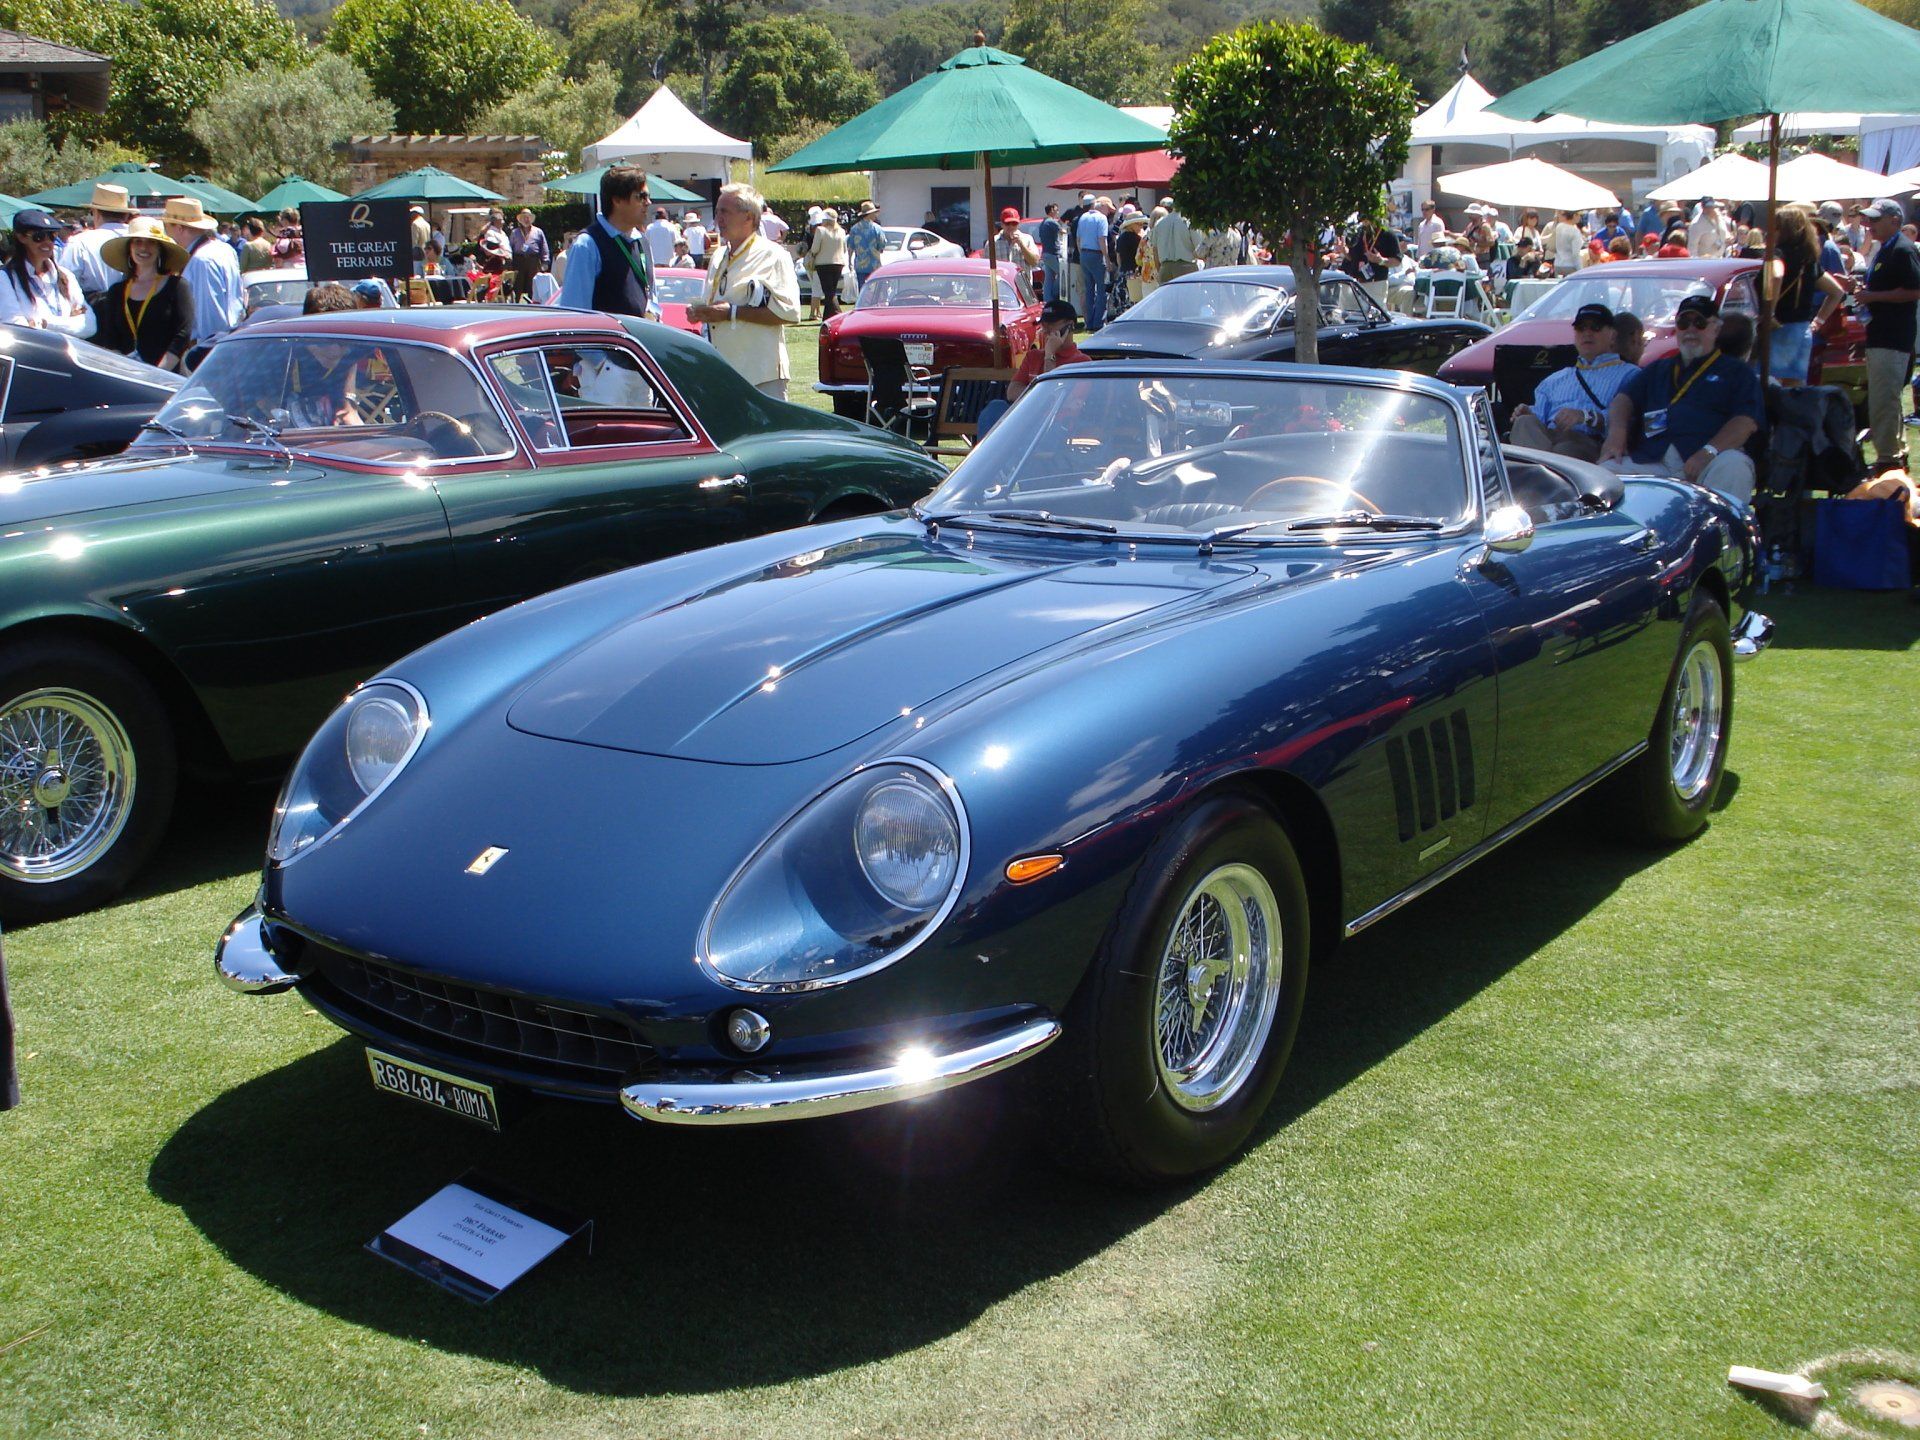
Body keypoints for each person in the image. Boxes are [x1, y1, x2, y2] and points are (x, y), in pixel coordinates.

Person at [1601, 294, 1763, 507]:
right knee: (1603, 476)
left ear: (1715, 329)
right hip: (1653, 458)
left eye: (1700, 323)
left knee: (1734, 465)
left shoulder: (1737, 372)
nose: (1691, 330)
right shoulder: (1659, 368)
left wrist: (1708, 451)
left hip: (1708, 459)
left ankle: (1721, 535)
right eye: (1684, 323)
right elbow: (1622, 400)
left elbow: (1746, 421)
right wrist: (1617, 432)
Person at [689, 182, 800, 400]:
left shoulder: (773, 255)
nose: (718, 219)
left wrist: (732, 313)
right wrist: (701, 313)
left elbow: (790, 312)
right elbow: (715, 306)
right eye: (717, 212)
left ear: (748, 217)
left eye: (725, 212)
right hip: (721, 372)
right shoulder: (719, 256)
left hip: (760, 375)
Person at [1509, 303, 1638, 461]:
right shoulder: (1554, 380)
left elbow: (1629, 420)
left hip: (1590, 442)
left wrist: (1586, 416)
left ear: (1612, 335)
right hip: (1549, 440)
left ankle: (1544, 472)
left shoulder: (1630, 374)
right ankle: (1547, 470)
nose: (1587, 333)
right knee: (1524, 423)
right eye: (1581, 328)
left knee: (1565, 448)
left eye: (1595, 328)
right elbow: (1540, 418)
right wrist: (1528, 412)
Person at [1851, 198, 1920, 468]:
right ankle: (1896, 452)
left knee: (1883, 401)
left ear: (1894, 221)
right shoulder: (1886, 248)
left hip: (1892, 338)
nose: (1869, 225)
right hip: (1882, 335)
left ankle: (1887, 459)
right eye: (1868, 220)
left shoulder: (1902, 250)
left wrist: (1873, 296)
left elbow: (1915, 290)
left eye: (1875, 220)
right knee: (1887, 398)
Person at [91, 215, 193, 370]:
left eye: (151, 242)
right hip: (126, 377)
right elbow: (110, 338)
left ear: (160, 249)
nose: (144, 248)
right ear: (129, 248)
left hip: (166, 378)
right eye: (137, 241)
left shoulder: (177, 286)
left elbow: (183, 334)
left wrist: (157, 374)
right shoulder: (116, 291)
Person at [556, 165, 658, 319]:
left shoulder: (642, 242)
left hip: (639, 340)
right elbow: (574, 317)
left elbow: (652, 297)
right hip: (606, 342)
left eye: (648, 196)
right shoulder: (587, 245)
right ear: (617, 200)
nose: (648, 202)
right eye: (641, 197)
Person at [976, 299, 1085, 439]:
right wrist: (1041, 397)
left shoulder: (1080, 362)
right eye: (1043, 325)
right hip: (1027, 420)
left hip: (1057, 427)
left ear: (1069, 326)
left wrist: (1049, 356)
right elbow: (1012, 392)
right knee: (995, 407)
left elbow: (1051, 394)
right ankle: (986, 458)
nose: (1045, 331)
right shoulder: (1033, 356)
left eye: (1051, 325)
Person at [1763, 204, 1846, 387]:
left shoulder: (1778, 254)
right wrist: (1819, 321)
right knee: (1795, 392)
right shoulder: (1809, 260)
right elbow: (1837, 292)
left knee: (1771, 389)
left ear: (1781, 229)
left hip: (1780, 330)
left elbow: (1777, 275)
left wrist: (1769, 314)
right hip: (1803, 331)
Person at [164, 196, 244, 353]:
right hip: (228, 340)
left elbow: (209, 317)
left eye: (167, 226)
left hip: (209, 349)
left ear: (179, 228)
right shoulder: (224, 249)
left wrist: (203, 352)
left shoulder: (201, 260)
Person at [0, 208, 94, 336]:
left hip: (70, 351)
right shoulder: (5, 278)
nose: (48, 243)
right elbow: (17, 327)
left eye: (52, 236)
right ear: (21, 237)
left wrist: (44, 322)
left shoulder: (66, 275)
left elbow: (89, 326)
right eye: (39, 237)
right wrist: (70, 321)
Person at [59, 182, 132, 301]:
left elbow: (64, 280)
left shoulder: (80, 242)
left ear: (96, 213)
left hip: (96, 311)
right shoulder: (141, 240)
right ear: (126, 215)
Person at [1076, 192, 1111, 331]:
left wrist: (1082, 254)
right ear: (1094, 204)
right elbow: (1102, 240)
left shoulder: (1082, 217)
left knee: (1089, 290)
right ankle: (1098, 323)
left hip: (1084, 254)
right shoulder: (1101, 218)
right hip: (1096, 255)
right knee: (1101, 290)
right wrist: (1107, 259)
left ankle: (1089, 322)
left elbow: (1078, 240)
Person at [807, 206, 848, 321]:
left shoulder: (820, 230)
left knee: (828, 293)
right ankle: (828, 317)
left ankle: (838, 315)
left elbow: (815, 249)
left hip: (823, 264)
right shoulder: (841, 231)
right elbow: (844, 249)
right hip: (838, 263)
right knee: (831, 291)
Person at [1151, 196, 1198, 284]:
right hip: (1186, 267)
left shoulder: (1160, 223)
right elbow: (1199, 248)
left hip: (1165, 267)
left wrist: (1160, 270)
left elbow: (1155, 250)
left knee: (1168, 297)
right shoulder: (1189, 222)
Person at [509, 208, 548, 300]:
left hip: (533, 260)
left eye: (528, 217)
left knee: (533, 283)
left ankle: (534, 302)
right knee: (518, 283)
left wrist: (545, 261)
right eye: (524, 218)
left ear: (531, 219)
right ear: (520, 220)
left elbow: (544, 247)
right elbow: (510, 247)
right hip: (519, 260)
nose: (526, 219)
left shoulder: (538, 231)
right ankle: (516, 303)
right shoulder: (515, 232)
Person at [849, 200, 887, 289]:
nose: (875, 215)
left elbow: (851, 247)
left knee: (862, 289)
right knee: (876, 289)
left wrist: (849, 261)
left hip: (860, 264)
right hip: (874, 264)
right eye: (873, 213)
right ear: (869, 214)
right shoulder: (877, 229)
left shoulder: (854, 229)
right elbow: (882, 245)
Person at [1035, 202, 1066, 303]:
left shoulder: (1043, 223)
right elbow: (1063, 231)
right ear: (1051, 210)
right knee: (1063, 275)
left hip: (1045, 254)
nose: (1058, 212)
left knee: (1049, 278)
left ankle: (1047, 300)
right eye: (1056, 210)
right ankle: (1054, 293)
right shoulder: (1051, 222)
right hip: (1053, 254)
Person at [995, 207, 1040, 273]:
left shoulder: (1027, 239)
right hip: (1002, 282)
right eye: (1008, 223)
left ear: (1018, 224)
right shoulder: (993, 243)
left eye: (1014, 223)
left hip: (1021, 282)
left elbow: (1034, 262)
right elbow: (986, 268)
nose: (1011, 227)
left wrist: (1021, 245)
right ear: (1002, 224)